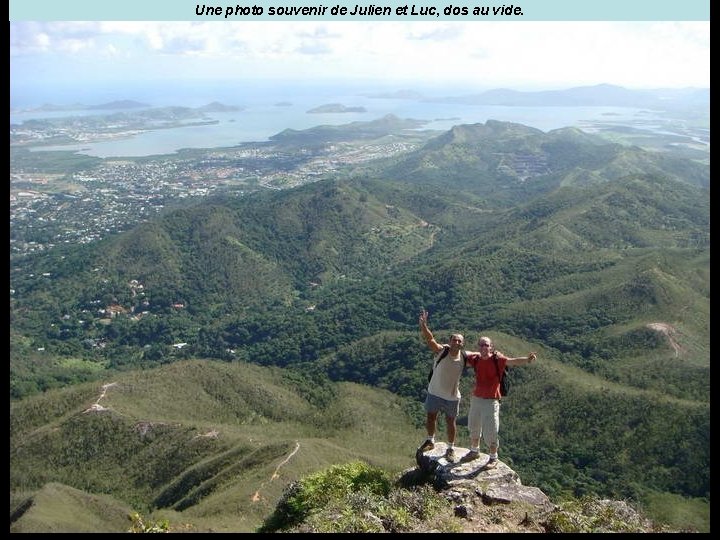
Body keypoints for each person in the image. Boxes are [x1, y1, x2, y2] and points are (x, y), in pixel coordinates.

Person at [463, 336, 537, 468]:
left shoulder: (498, 360)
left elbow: (513, 362)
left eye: (486, 345)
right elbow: (463, 353)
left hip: (491, 401)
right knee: (474, 426)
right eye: (481, 345)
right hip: (476, 399)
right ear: (477, 347)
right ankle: (474, 451)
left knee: (491, 431)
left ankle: (493, 458)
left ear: (491, 347)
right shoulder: (476, 359)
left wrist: (527, 359)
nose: (483, 347)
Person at [417, 309, 466, 462]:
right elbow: (430, 340)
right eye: (454, 340)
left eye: (459, 341)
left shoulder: (465, 357)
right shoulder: (441, 351)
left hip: (452, 396)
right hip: (434, 392)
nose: (456, 342)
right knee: (431, 417)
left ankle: (450, 447)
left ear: (462, 344)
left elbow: (483, 357)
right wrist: (424, 326)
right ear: (450, 341)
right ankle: (430, 440)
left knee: (451, 422)